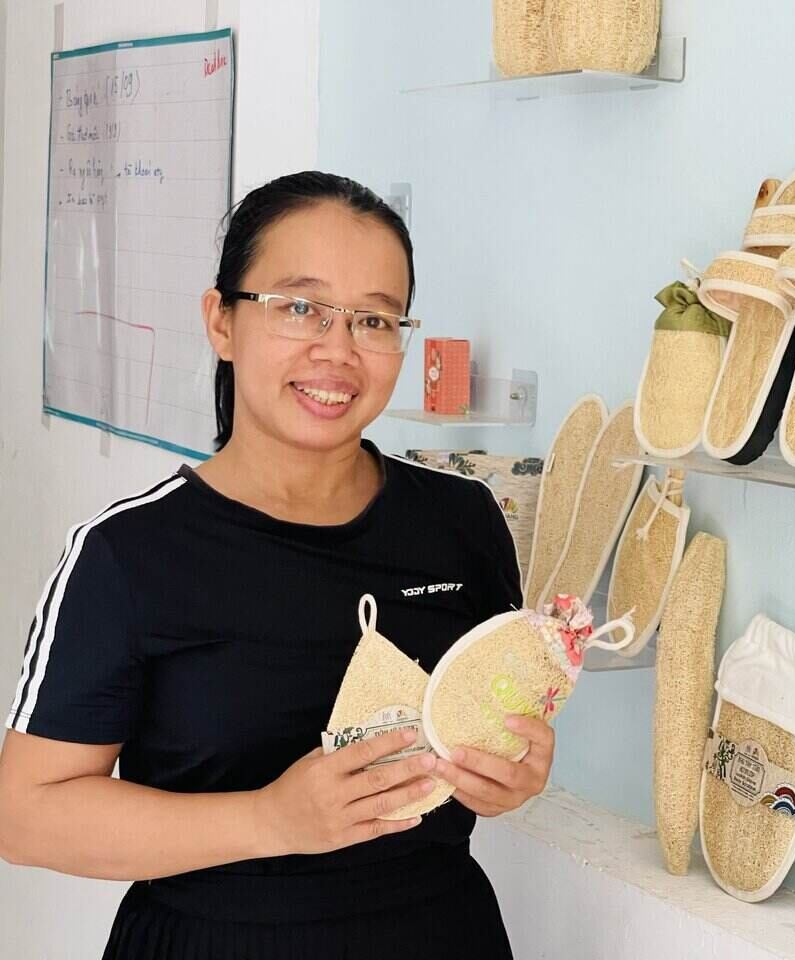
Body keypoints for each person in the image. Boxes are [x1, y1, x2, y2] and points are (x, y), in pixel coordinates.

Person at [0, 172, 546, 958]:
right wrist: (269, 820)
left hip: (440, 930)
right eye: (300, 307)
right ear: (221, 321)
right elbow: (25, 815)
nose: (338, 349)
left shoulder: (461, 524)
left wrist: (517, 771)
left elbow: (497, 721)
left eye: (374, 319)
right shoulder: (129, 556)